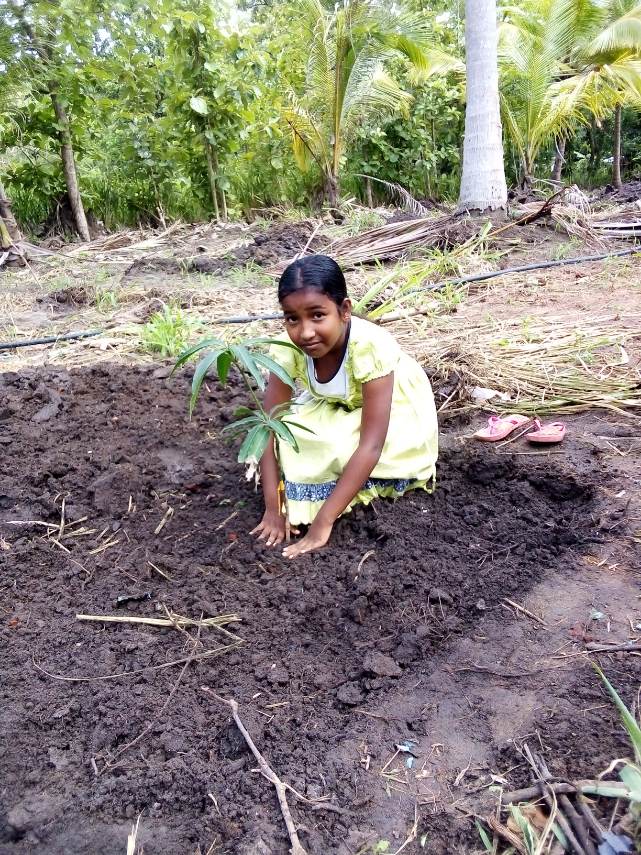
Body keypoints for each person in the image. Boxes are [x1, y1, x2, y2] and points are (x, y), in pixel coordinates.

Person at [251, 254, 438, 559]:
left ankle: (329, 504)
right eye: (292, 318)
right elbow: (270, 427)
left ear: (345, 310)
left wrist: (322, 524)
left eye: (317, 315)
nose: (305, 332)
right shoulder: (287, 348)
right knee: (294, 439)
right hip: (334, 403)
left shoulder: (369, 347)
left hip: (390, 405)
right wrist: (274, 507)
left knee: (338, 448)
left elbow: (372, 444)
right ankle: (302, 498)